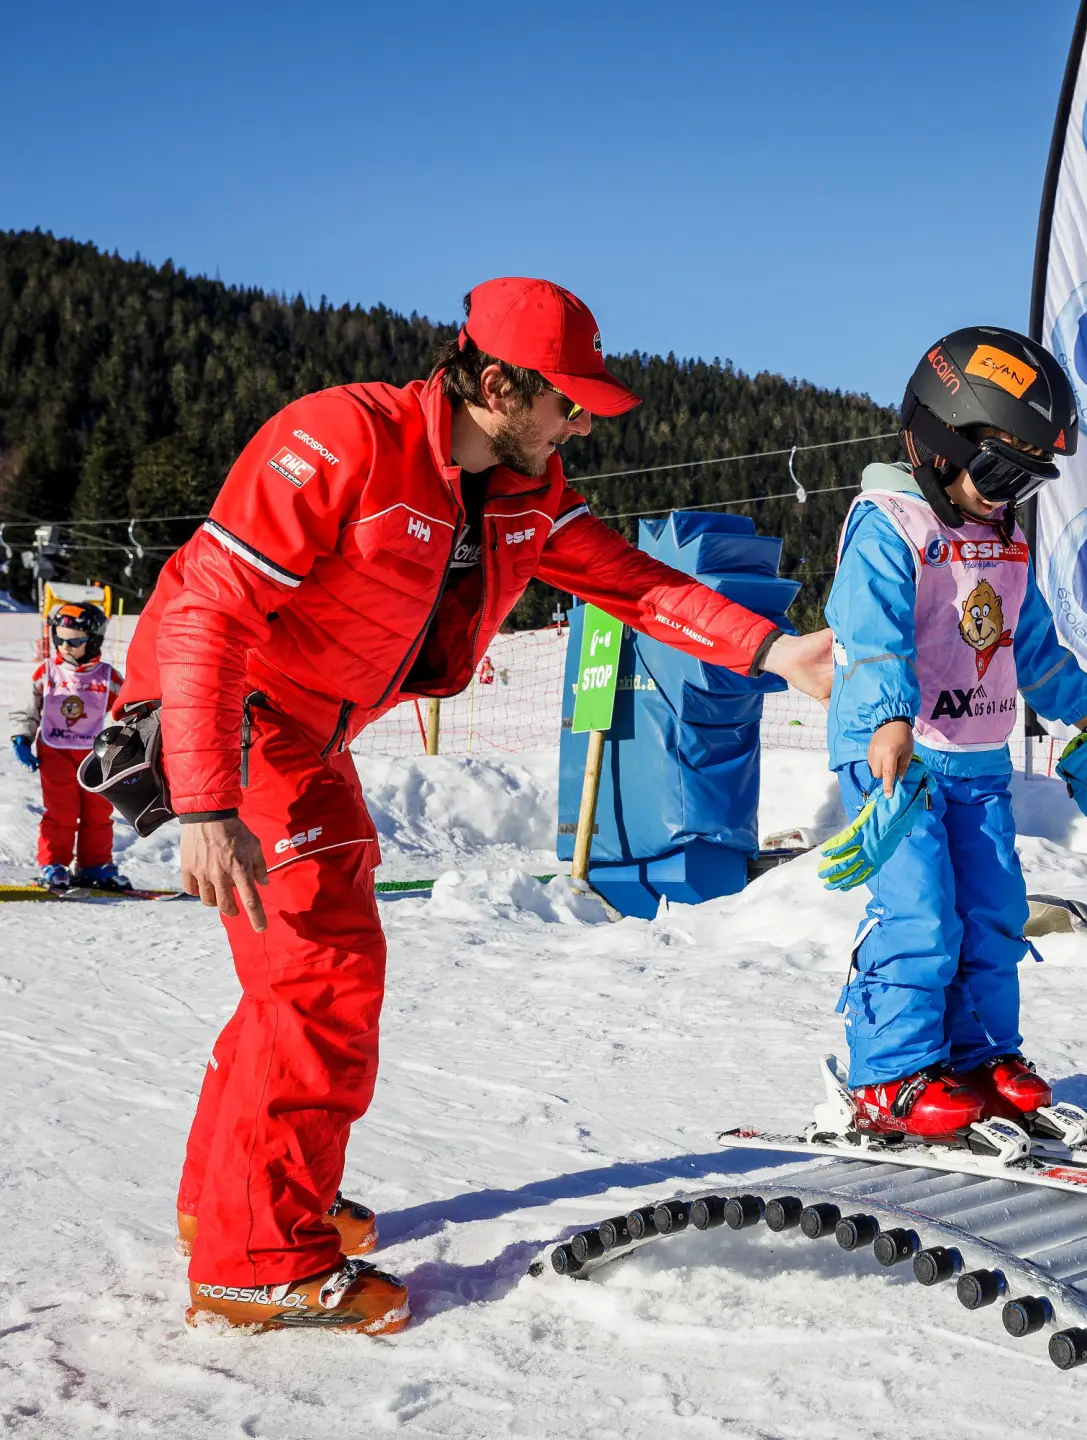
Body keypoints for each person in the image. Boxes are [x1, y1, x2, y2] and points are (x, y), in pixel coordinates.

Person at [124, 277, 834, 1335]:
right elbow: (210, 611)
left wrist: (779, 651)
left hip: (310, 733)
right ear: (497, 384)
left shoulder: (519, 493)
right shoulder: (339, 440)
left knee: (297, 970)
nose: (579, 422)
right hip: (231, 714)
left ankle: (228, 1203)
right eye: (566, 401)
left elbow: (639, 586)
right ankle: (256, 1258)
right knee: (322, 970)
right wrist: (205, 798)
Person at [816, 326, 1087, 1138]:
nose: (1008, 494)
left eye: (1028, 480)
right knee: (922, 913)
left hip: (974, 760)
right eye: (999, 470)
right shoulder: (889, 524)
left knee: (994, 911)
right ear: (937, 440)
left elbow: (1030, 640)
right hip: (898, 760)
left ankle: (976, 1054)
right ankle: (891, 1073)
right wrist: (887, 723)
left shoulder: (1001, 535)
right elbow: (870, 634)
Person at [10, 601, 130, 891]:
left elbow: (128, 709)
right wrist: (21, 737)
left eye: (74, 640)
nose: (65, 646)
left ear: (93, 641)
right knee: (60, 812)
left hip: (97, 757)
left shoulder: (107, 676)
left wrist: (130, 740)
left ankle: (94, 865)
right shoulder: (46, 672)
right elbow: (25, 709)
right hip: (55, 753)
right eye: (60, 639)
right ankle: (54, 863)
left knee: (97, 812)